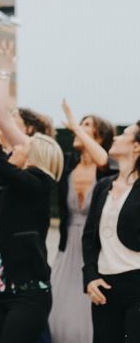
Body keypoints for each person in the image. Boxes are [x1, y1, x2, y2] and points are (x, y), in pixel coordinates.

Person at [0, 41, 64, 343]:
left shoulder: (37, 183)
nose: (14, 147)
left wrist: (4, 72)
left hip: (27, 294)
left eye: (22, 146)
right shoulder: (11, 180)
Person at [49, 100, 116, 343]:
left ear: (100, 136)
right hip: (67, 248)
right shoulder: (67, 163)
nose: (77, 127)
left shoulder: (107, 168)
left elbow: (103, 159)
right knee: (58, 307)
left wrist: (74, 126)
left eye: (86, 125)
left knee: (87, 314)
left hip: (95, 251)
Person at [83, 121, 140, 343]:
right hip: (104, 287)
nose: (115, 137)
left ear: (136, 147)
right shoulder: (103, 186)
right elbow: (88, 238)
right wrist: (90, 277)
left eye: (124, 134)